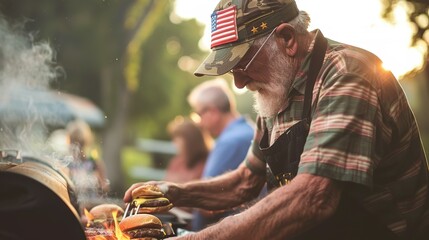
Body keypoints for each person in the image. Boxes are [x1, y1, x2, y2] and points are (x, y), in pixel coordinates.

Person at [124, 0, 429, 239]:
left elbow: (313, 197)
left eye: (243, 63)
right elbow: (244, 182)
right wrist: (175, 192)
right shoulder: (276, 92)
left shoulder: (348, 75)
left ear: (287, 39)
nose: (239, 84)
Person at [186, 78, 255, 231]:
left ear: (213, 111)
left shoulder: (230, 142)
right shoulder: (249, 130)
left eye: (198, 114)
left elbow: (205, 200)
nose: (199, 123)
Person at [66, 119, 110, 201]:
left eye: (80, 142)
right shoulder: (66, 164)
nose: (77, 146)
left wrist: (99, 183)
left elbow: (105, 188)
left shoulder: (94, 163)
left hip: (91, 206)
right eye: (74, 141)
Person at [164, 116, 210, 184]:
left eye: (177, 140)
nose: (174, 144)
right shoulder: (176, 162)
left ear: (189, 141)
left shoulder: (207, 164)